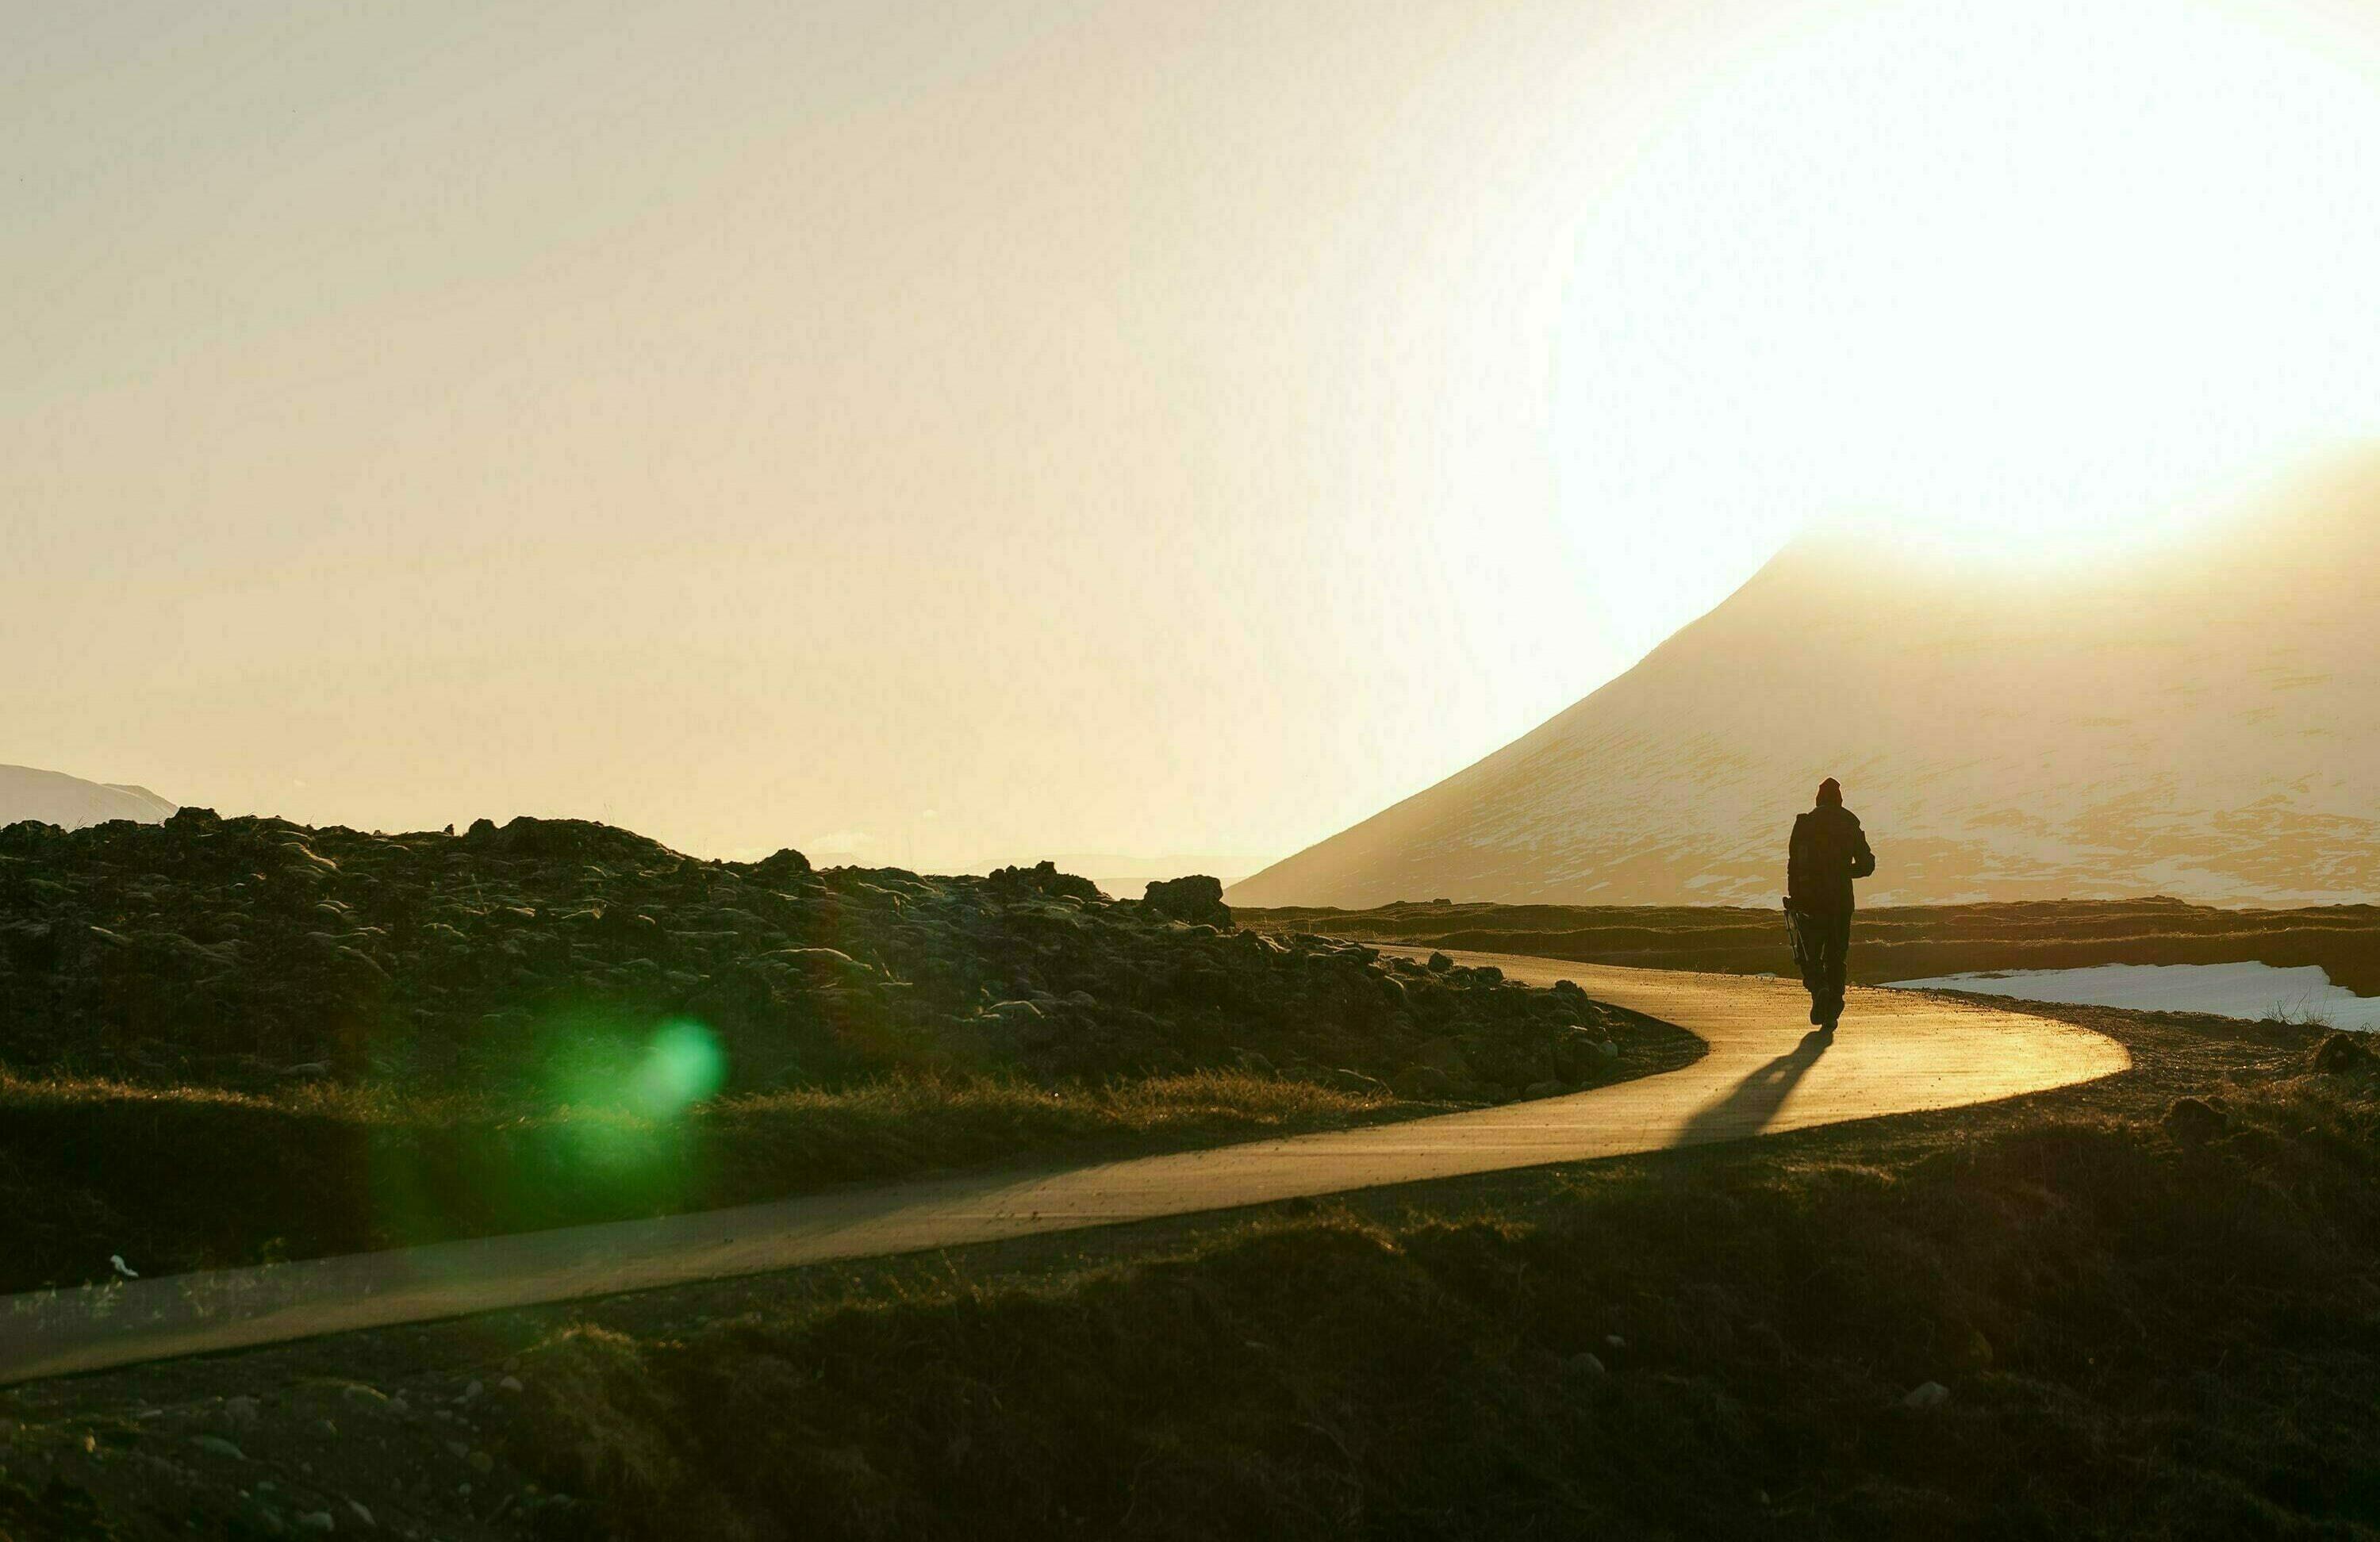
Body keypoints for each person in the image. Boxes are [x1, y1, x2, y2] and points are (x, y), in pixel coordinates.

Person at [1787, 777, 1875, 1030]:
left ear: (1818, 799)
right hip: (1841, 902)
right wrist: (1845, 872)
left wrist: (1795, 896)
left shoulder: (1804, 825)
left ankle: (1819, 989)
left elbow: (1793, 866)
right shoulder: (1850, 823)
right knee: (1836, 955)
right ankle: (1833, 1007)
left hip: (1810, 902)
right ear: (1839, 800)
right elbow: (1867, 864)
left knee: (1808, 954)